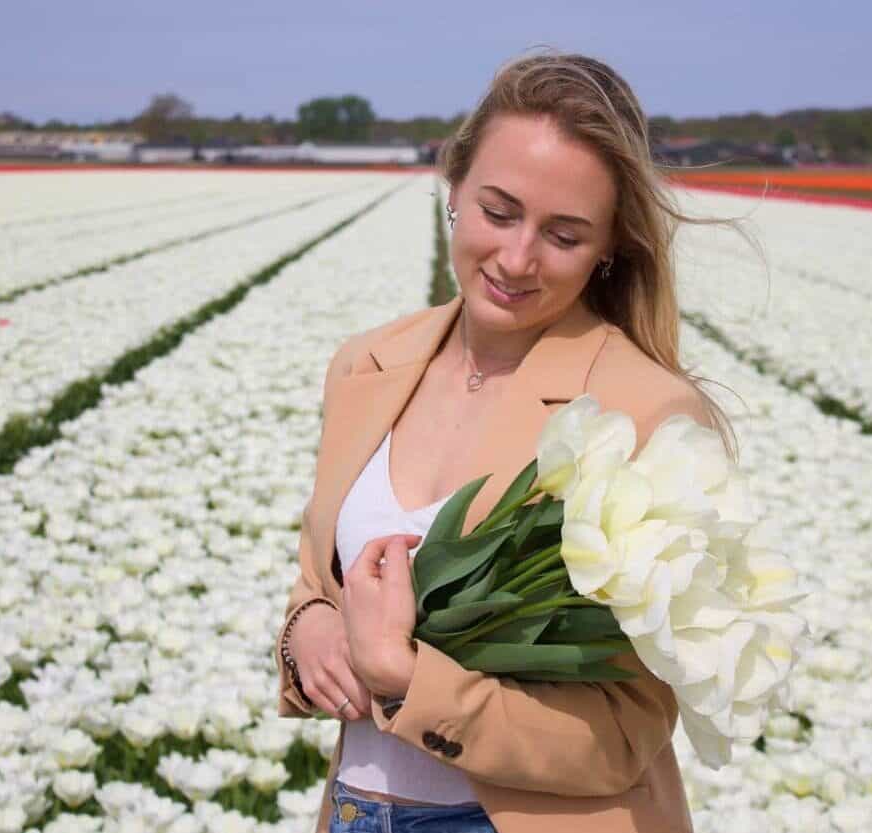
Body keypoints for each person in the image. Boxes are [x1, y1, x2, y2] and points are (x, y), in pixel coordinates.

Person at [274, 49, 744, 833]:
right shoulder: (368, 364)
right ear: (452, 189)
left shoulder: (647, 415)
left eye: (564, 234)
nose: (517, 259)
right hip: (355, 812)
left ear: (610, 247)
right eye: (498, 212)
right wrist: (308, 632)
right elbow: (320, 583)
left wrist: (406, 679)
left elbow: (627, 727)